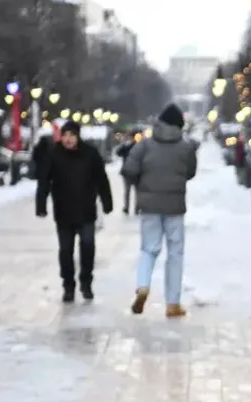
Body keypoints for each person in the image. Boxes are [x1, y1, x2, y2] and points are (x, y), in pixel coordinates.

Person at [122, 103, 198, 318]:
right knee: (175, 253)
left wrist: (142, 185)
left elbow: (129, 169)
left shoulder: (144, 145)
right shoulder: (186, 147)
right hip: (175, 207)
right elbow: (190, 172)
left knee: (148, 249)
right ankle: (173, 303)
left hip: (149, 206)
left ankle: (143, 286)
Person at [36, 121, 113, 302]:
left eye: (72, 135)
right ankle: (68, 285)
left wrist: (107, 201)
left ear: (78, 136)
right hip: (63, 211)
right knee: (65, 250)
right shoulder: (54, 154)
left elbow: (101, 178)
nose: (68, 139)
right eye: (65, 135)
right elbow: (44, 180)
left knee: (87, 247)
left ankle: (86, 282)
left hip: (86, 210)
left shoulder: (90, 154)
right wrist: (41, 205)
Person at [115, 138, 137, 215]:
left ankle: (127, 207)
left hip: (127, 171)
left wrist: (124, 145)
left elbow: (118, 153)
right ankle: (136, 208)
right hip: (137, 172)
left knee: (127, 191)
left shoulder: (127, 147)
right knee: (137, 191)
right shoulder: (139, 147)